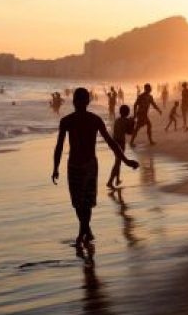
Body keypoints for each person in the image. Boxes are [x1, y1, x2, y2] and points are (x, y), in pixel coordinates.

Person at [53, 88, 139, 244]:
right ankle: (85, 229)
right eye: (78, 100)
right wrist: (55, 168)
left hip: (85, 165)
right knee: (80, 202)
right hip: (80, 165)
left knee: (85, 202)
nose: (79, 103)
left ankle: (83, 231)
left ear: (84, 101)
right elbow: (59, 146)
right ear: (81, 101)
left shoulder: (87, 120)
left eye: (81, 100)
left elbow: (111, 143)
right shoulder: (71, 121)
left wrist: (126, 161)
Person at [107, 105, 135, 188]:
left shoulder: (117, 120)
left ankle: (117, 179)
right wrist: (133, 123)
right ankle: (110, 181)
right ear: (127, 112)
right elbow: (129, 132)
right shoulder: (127, 121)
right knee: (117, 162)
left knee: (118, 161)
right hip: (121, 143)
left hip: (114, 141)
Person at [130, 83, 162, 147]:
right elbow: (135, 104)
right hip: (141, 114)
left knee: (145, 126)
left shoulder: (150, 97)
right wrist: (134, 114)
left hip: (144, 114)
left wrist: (158, 110)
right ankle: (132, 142)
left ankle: (149, 141)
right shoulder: (141, 96)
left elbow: (153, 104)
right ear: (146, 89)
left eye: (150, 88)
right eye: (149, 88)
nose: (150, 89)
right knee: (139, 127)